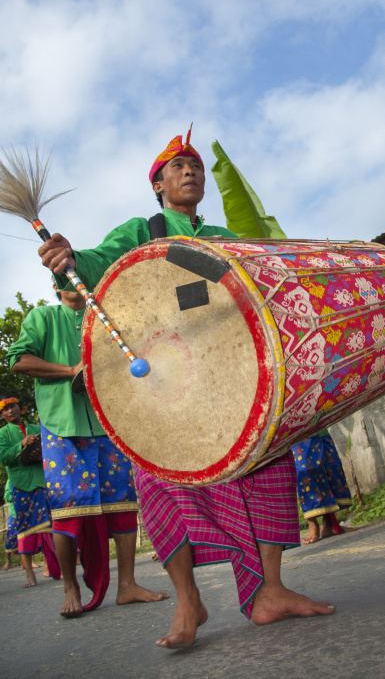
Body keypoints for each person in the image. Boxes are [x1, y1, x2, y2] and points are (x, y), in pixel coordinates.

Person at [38, 126, 335, 647]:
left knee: (267, 465)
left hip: (234, 376)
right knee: (160, 481)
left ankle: (269, 590)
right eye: (177, 166)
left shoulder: (225, 239)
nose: (190, 171)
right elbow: (94, 263)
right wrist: (69, 259)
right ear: (157, 185)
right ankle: (188, 601)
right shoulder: (143, 231)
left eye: (195, 165)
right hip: (167, 383)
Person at [7, 287, 168, 617]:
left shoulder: (106, 317)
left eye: (75, 272)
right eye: (62, 275)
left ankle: (127, 585)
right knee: (67, 508)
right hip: (61, 427)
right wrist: (70, 371)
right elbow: (18, 360)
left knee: (124, 502)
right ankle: (70, 587)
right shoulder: (43, 317)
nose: (70, 280)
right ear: (54, 285)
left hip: (108, 421)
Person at [0, 396, 60, 587]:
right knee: (24, 528)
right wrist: (22, 445)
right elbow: (4, 457)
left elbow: (52, 450)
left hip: (43, 481)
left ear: (20, 407)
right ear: (2, 414)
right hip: (21, 485)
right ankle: (29, 575)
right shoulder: (3, 433)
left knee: (50, 524)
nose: (11, 411)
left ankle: (49, 566)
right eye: (6, 409)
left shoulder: (36, 428)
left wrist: (41, 455)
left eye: (13, 406)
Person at [292, 430, 355, 544]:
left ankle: (330, 524)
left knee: (331, 467)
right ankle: (312, 524)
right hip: (297, 430)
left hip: (319, 427)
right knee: (304, 471)